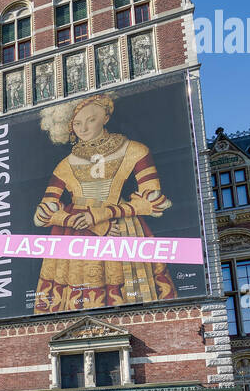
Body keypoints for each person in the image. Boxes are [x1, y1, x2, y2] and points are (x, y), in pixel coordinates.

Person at [31, 94, 176, 312]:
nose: (84, 128)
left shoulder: (135, 150)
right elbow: (42, 213)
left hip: (121, 229)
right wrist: (82, 221)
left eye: (91, 120)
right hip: (74, 235)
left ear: (106, 116)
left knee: (135, 305)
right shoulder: (65, 165)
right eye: (77, 123)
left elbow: (155, 202)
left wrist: (103, 214)